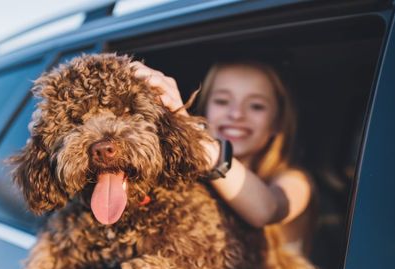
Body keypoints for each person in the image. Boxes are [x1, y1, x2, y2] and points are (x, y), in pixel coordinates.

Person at [133, 60, 314, 256]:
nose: (236, 114)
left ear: (278, 122)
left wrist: (188, 130)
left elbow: (266, 210)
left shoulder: (295, 181)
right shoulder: (184, 181)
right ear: (205, 110)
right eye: (222, 101)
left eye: (256, 106)